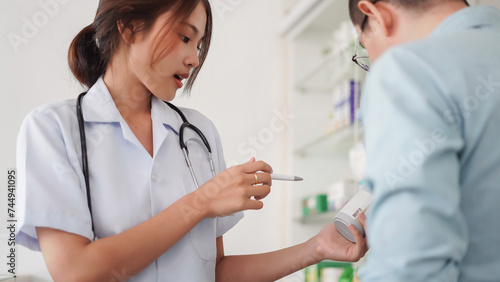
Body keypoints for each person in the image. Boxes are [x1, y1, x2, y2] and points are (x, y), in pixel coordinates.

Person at [15, 1, 368, 281]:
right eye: (185, 38)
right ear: (128, 26)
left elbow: (214, 272)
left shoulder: (199, 135)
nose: (194, 59)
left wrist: (316, 248)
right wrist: (201, 202)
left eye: (198, 45)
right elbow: (77, 271)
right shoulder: (53, 129)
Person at [348, 0, 500, 281]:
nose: (374, 63)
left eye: (365, 49)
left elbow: (410, 266)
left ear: (376, 14)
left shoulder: (407, 68)